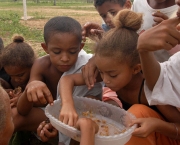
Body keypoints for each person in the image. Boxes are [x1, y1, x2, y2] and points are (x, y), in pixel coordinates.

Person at [59, 9, 180, 145]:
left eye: (112, 74)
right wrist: (67, 105)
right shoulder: (112, 73)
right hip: (139, 135)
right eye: (101, 72)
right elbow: (67, 80)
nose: (105, 80)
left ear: (136, 69)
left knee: (135, 113)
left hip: (166, 137)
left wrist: (157, 124)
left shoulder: (152, 89)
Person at [17, 16, 102, 145]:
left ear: (80, 48)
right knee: (14, 116)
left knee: (86, 111)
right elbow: (22, 110)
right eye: (57, 52)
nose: (65, 58)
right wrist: (31, 87)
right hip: (52, 115)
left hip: (81, 120)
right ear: (45, 48)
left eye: (72, 51)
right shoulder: (41, 65)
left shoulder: (86, 66)